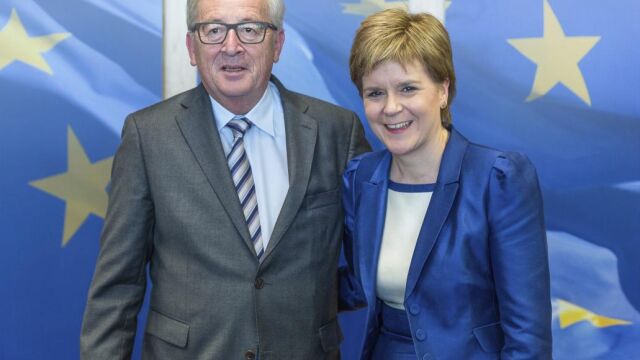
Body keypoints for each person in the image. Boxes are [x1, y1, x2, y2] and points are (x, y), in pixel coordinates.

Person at [80, 0, 369, 358]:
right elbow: (117, 288)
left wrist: (303, 298)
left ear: (277, 44)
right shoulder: (148, 136)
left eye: (250, 29)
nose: (231, 47)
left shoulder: (337, 132)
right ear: (191, 47)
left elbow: (374, 261)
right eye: (213, 30)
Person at [339, 9, 552, 360]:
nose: (391, 107)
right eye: (375, 93)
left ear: (443, 90)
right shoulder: (360, 178)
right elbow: (352, 286)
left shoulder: (498, 179)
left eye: (407, 88)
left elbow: (527, 336)